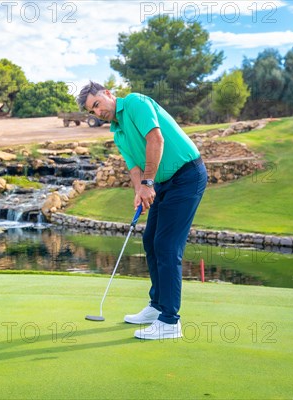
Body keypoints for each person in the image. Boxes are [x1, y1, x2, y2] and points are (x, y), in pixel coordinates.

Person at [77, 81, 207, 340]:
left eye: (96, 105)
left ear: (108, 94)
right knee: (150, 240)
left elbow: (155, 138)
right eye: (92, 112)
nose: (97, 112)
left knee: (168, 246)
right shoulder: (118, 132)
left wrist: (148, 184)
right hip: (161, 182)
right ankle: (157, 306)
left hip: (187, 176)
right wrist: (140, 191)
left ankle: (170, 321)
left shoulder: (136, 103)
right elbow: (134, 168)